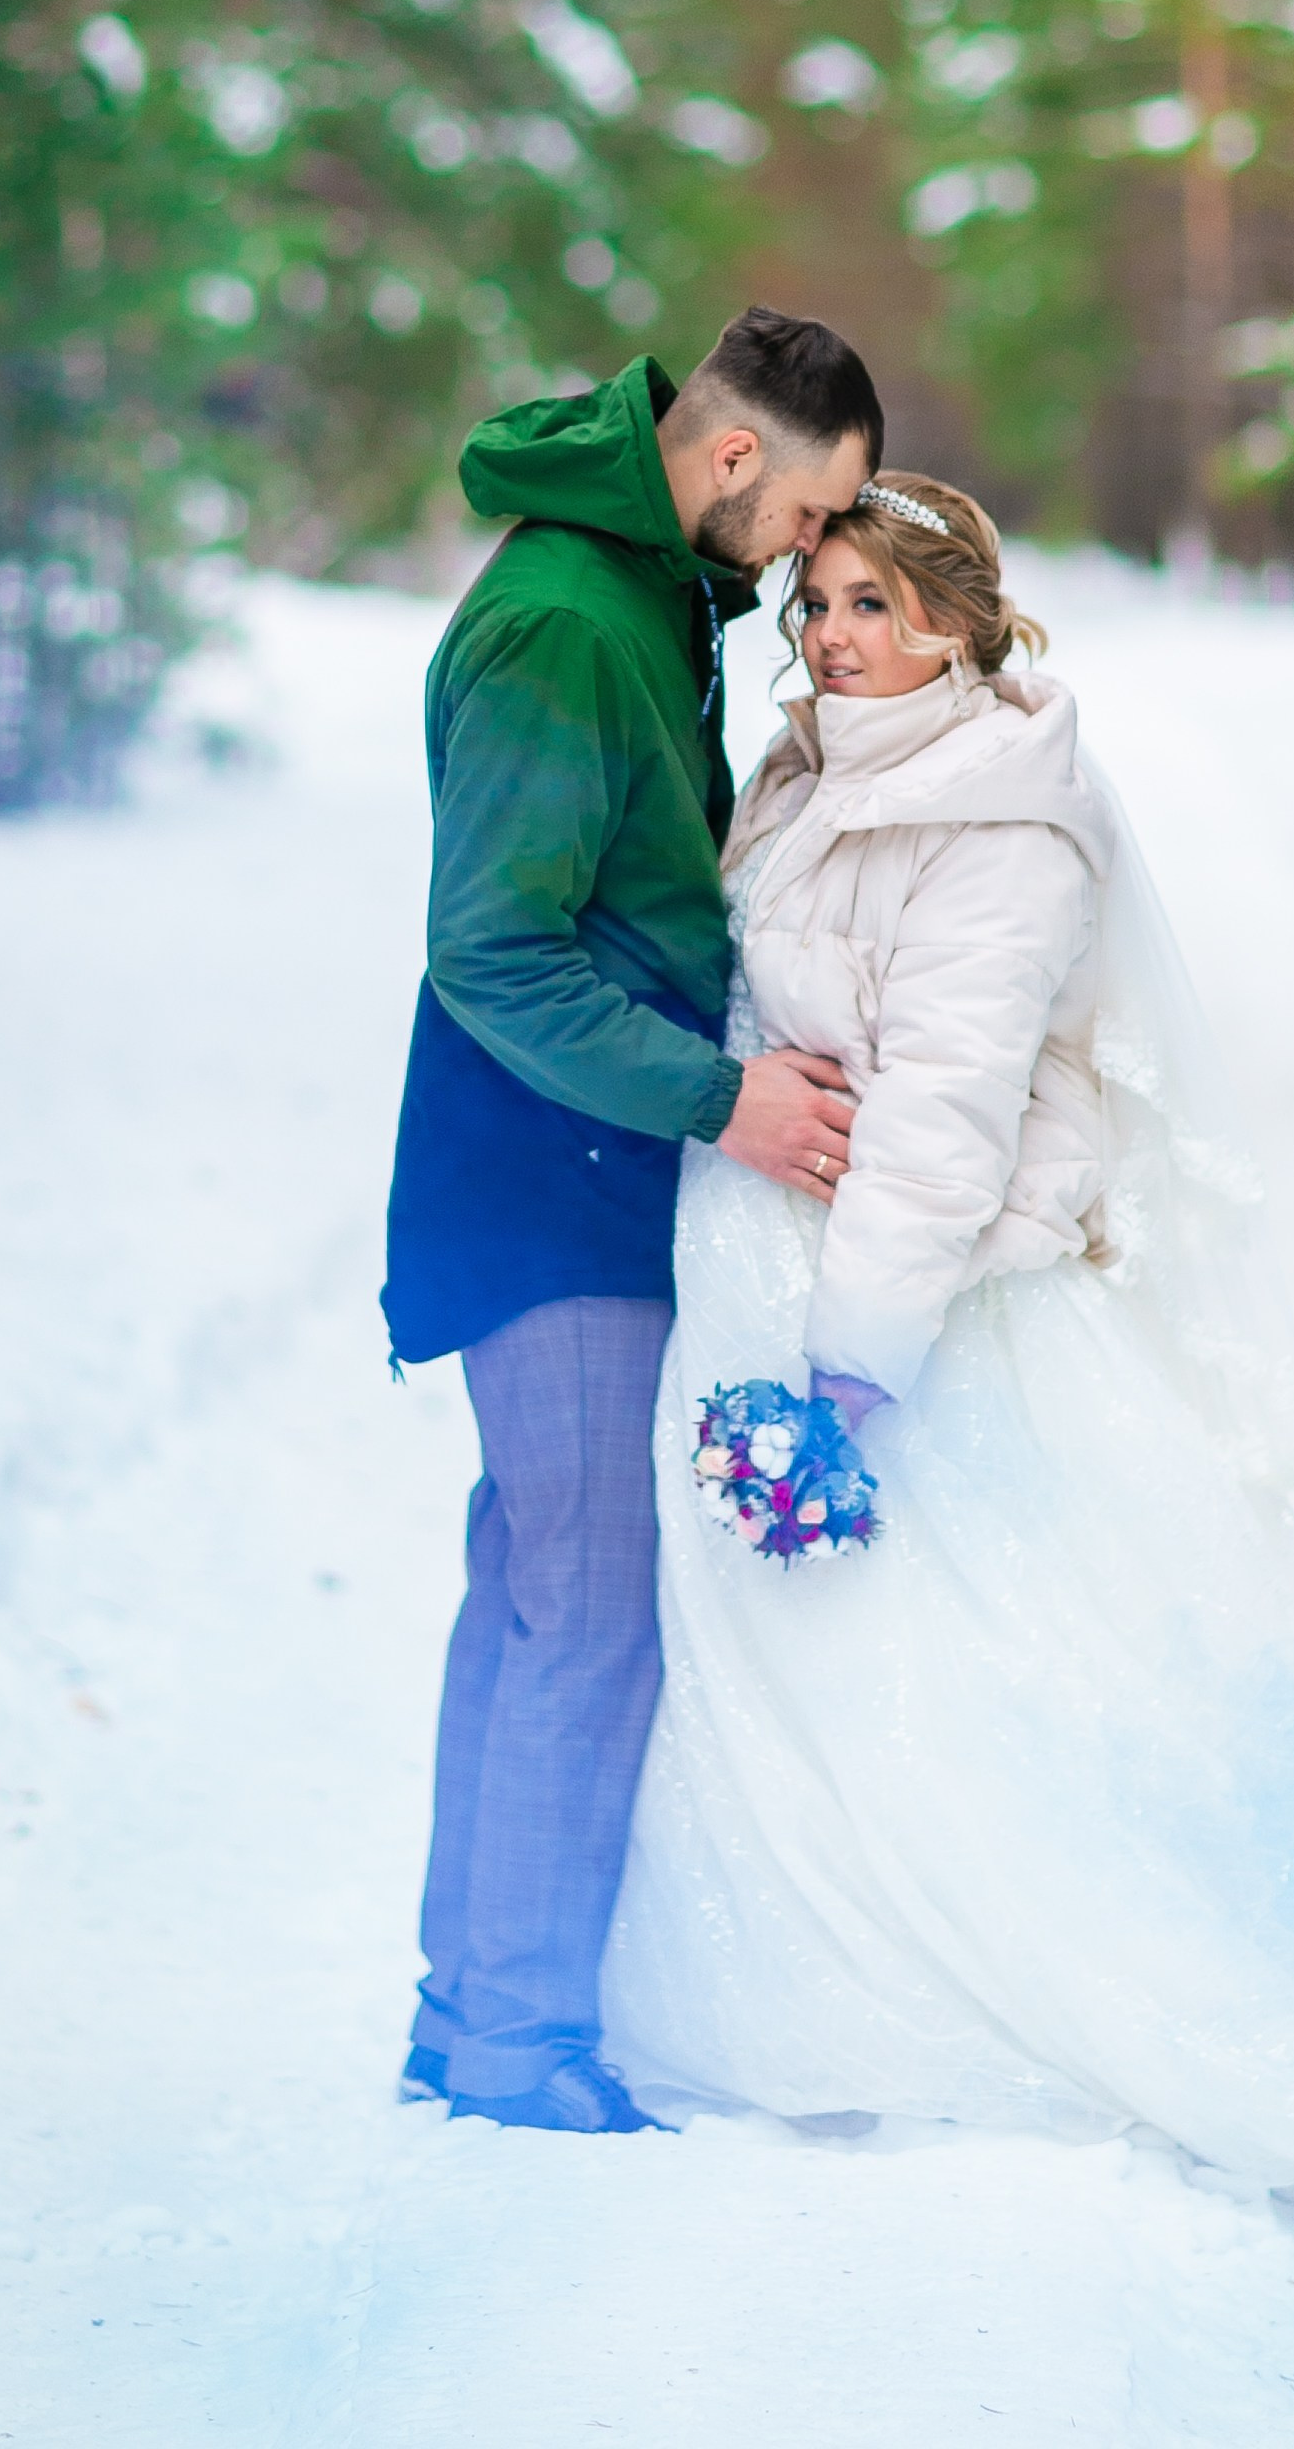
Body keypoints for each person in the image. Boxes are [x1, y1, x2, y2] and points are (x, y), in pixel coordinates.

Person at [600, 472, 1294, 2208]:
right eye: (823, 603)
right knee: (798, 1668)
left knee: (962, 1651)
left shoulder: (996, 821)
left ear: (959, 623)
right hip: (763, 1250)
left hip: (903, 1298)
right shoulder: (814, 762)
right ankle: (819, 1967)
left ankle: (1069, 1991)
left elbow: (948, 1118)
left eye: (876, 607)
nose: (836, 636)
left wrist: (855, 1364)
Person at [383, 308, 879, 2132]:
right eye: (808, 517)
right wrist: (721, 1097)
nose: (811, 562)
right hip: (546, 1165)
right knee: (589, 1603)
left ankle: (467, 2013)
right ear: (732, 456)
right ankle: (519, 2044)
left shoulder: (639, 586)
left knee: (533, 1580)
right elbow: (493, 945)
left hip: (587, 1153)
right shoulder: (561, 622)